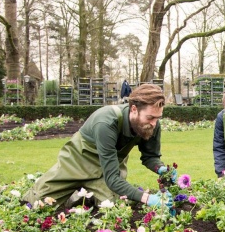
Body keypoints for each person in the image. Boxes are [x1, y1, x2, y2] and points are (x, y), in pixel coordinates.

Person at [24, 83, 175, 209]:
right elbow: (113, 179)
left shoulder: (152, 125)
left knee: (115, 206)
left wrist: (160, 169)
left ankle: (85, 196)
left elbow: (150, 157)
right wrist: (148, 199)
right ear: (134, 109)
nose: (154, 123)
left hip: (107, 170)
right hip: (77, 163)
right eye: (150, 117)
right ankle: (74, 194)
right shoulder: (106, 122)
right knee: (37, 203)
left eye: (157, 118)